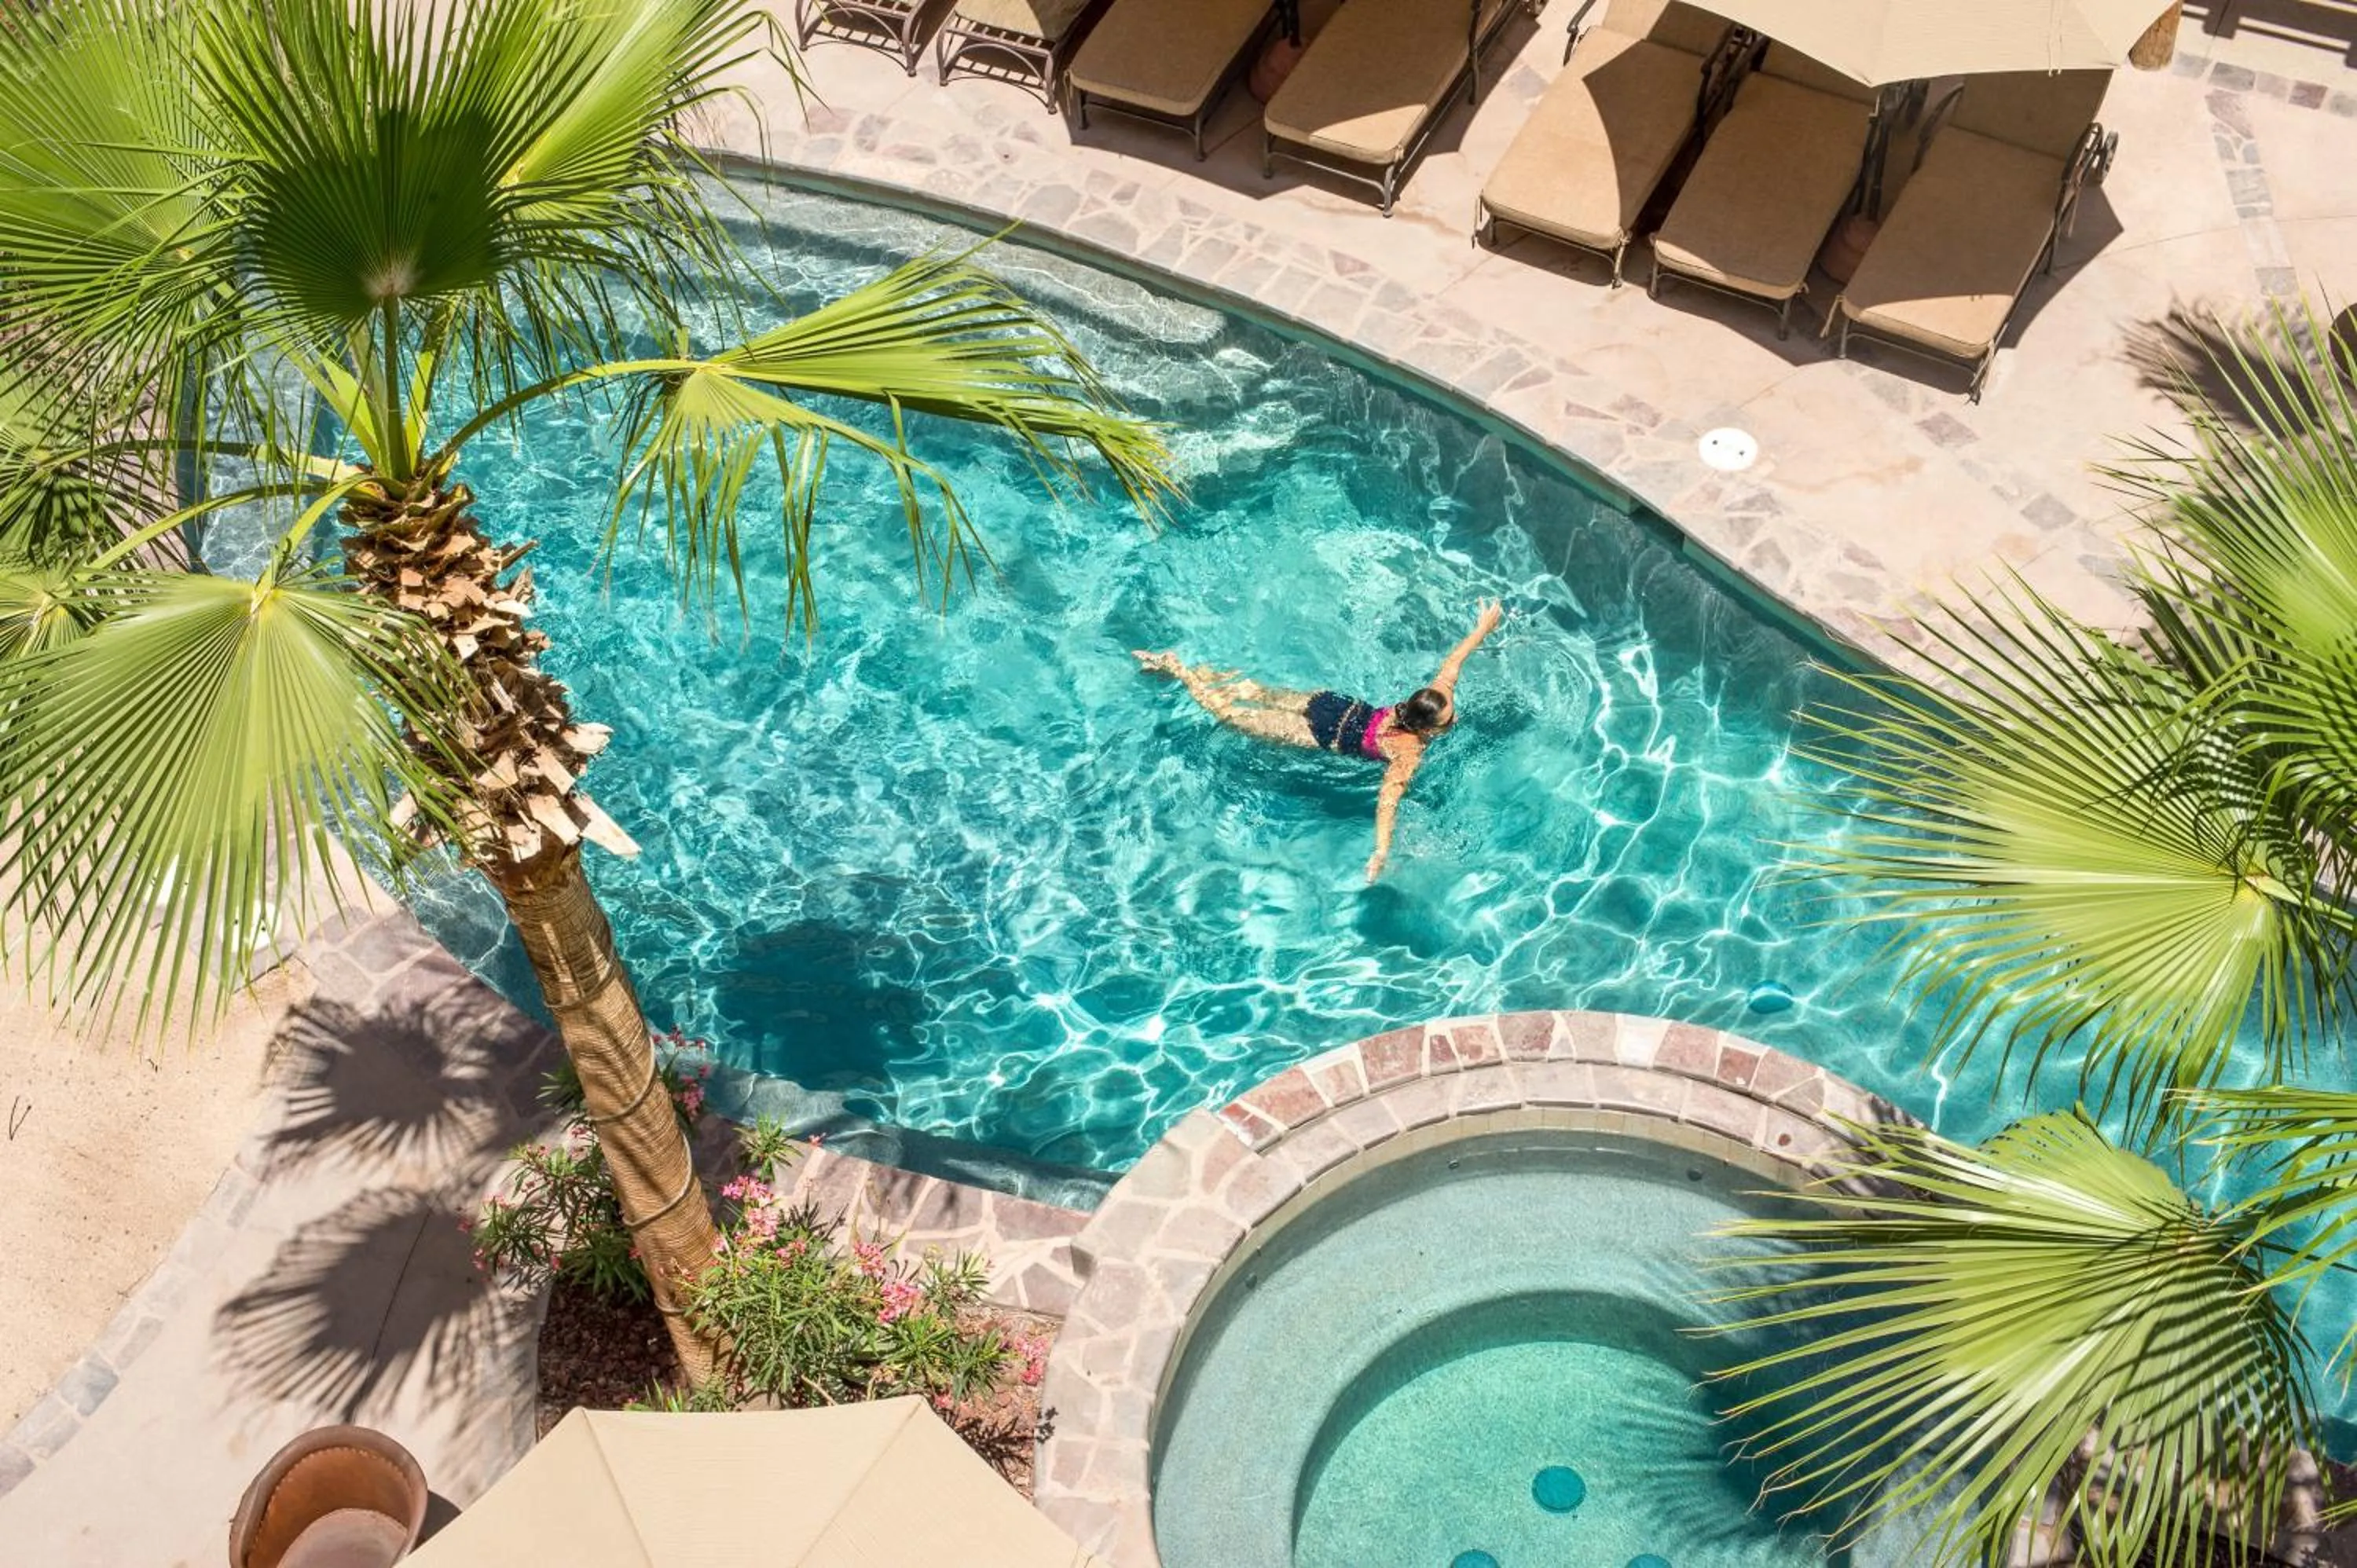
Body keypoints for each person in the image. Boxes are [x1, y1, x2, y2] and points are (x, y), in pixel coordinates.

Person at [1134, 599, 1505, 881]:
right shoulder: (1408, 750)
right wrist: (1381, 850)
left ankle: (1191, 670)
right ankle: (1177, 669)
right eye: (1446, 721)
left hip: (1331, 703)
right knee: (1232, 718)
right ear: (1425, 728)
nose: (1453, 716)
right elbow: (1387, 801)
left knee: (1256, 691)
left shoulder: (1433, 695)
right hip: (1325, 732)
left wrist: (1483, 627)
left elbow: (1454, 660)